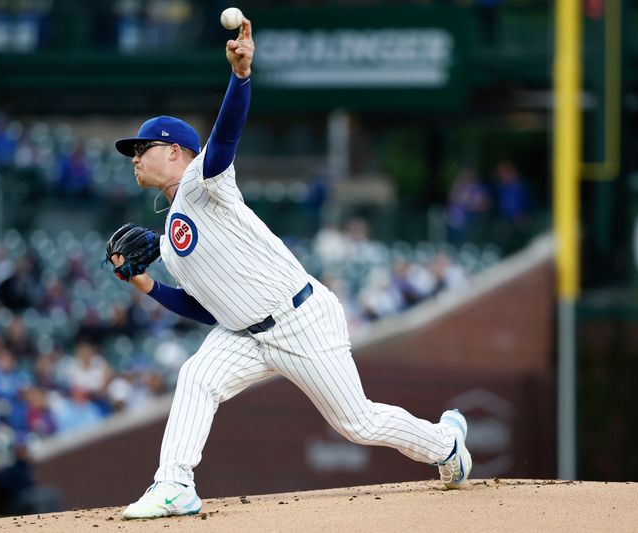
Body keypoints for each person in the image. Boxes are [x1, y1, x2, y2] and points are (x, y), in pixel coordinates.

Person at [108, 18, 472, 520]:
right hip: (244, 333)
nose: (134, 157)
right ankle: (174, 484)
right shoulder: (171, 243)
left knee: (357, 423)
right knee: (196, 376)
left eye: (141, 148)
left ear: (175, 151)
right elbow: (205, 308)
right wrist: (146, 284)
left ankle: (445, 444)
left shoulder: (203, 181)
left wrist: (240, 77)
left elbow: (227, 137)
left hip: (300, 319)